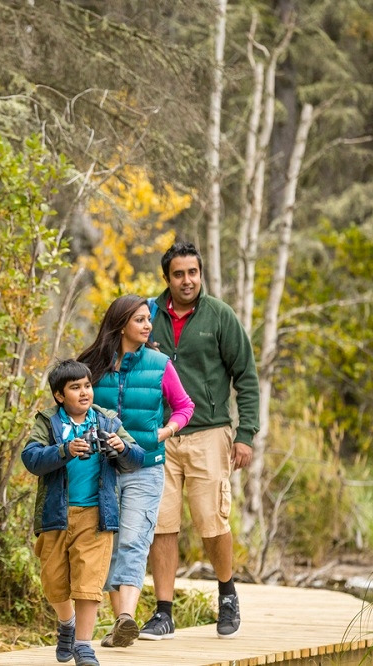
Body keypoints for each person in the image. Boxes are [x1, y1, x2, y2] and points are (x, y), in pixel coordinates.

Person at [139, 241, 260, 641]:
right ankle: (163, 612)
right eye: (178, 274)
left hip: (209, 432)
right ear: (167, 278)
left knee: (212, 520)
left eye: (193, 272)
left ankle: (227, 594)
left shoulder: (219, 316)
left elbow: (246, 377)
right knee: (162, 524)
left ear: (200, 274)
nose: (187, 280)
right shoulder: (149, 317)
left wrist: (245, 435)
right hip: (159, 436)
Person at [77, 295, 195, 649]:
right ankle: (120, 623)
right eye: (140, 320)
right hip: (101, 468)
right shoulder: (91, 364)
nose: (148, 326)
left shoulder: (160, 364)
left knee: (134, 541)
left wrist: (166, 431)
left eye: (149, 320)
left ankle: (125, 617)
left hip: (145, 466)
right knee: (108, 545)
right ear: (121, 323)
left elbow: (185, 406)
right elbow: (73, 403)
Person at [22, 359, 144, 666]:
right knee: (54, 583)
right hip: (57, 515)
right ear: (60, 396)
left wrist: (122, 448)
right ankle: (67, 624)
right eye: (75, 388)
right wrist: (64, 450)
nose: (84, 392)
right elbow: (31, 458)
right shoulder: (49, 422)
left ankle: (83, 645)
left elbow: (136, 459)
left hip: (96, 515)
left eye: (87, 385)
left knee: (89, 583)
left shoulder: (107, 421)